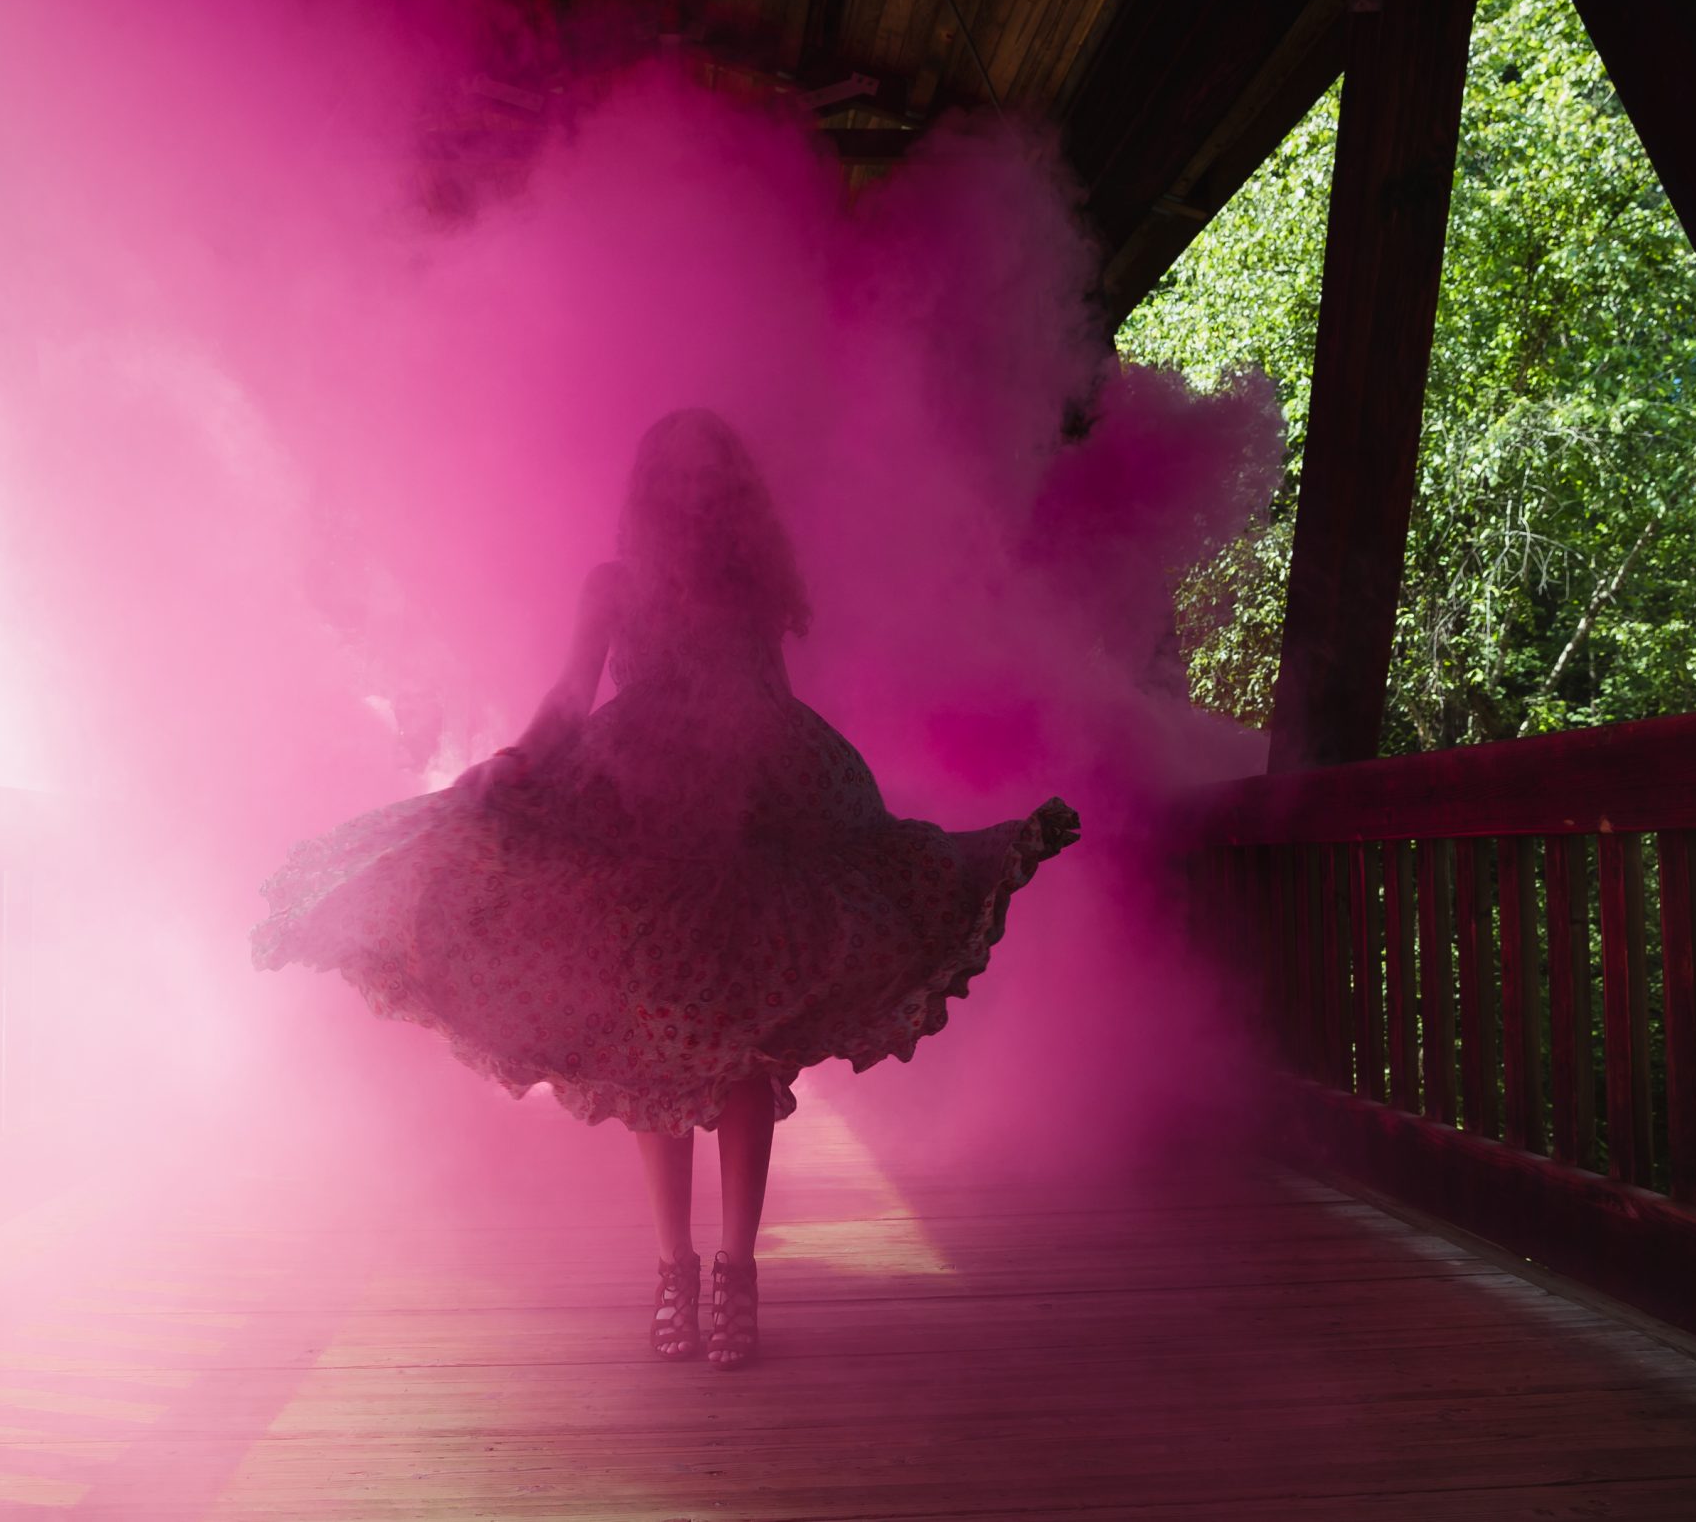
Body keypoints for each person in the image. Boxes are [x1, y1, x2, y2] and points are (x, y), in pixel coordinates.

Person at [254, 408, 1079, 1368]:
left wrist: (794, 790)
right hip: (636, 805)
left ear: (729, 492)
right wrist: (520, 757)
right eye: (675, 478)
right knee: (654, 1034)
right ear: (649, 492)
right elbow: (571, 695)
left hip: (752, 807)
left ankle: (735, 1270)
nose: (691, 493)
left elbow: (762, 699)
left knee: (738, 1042)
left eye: (708, 476)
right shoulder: (613, 586)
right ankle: (673, 1268)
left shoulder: (753, 587)